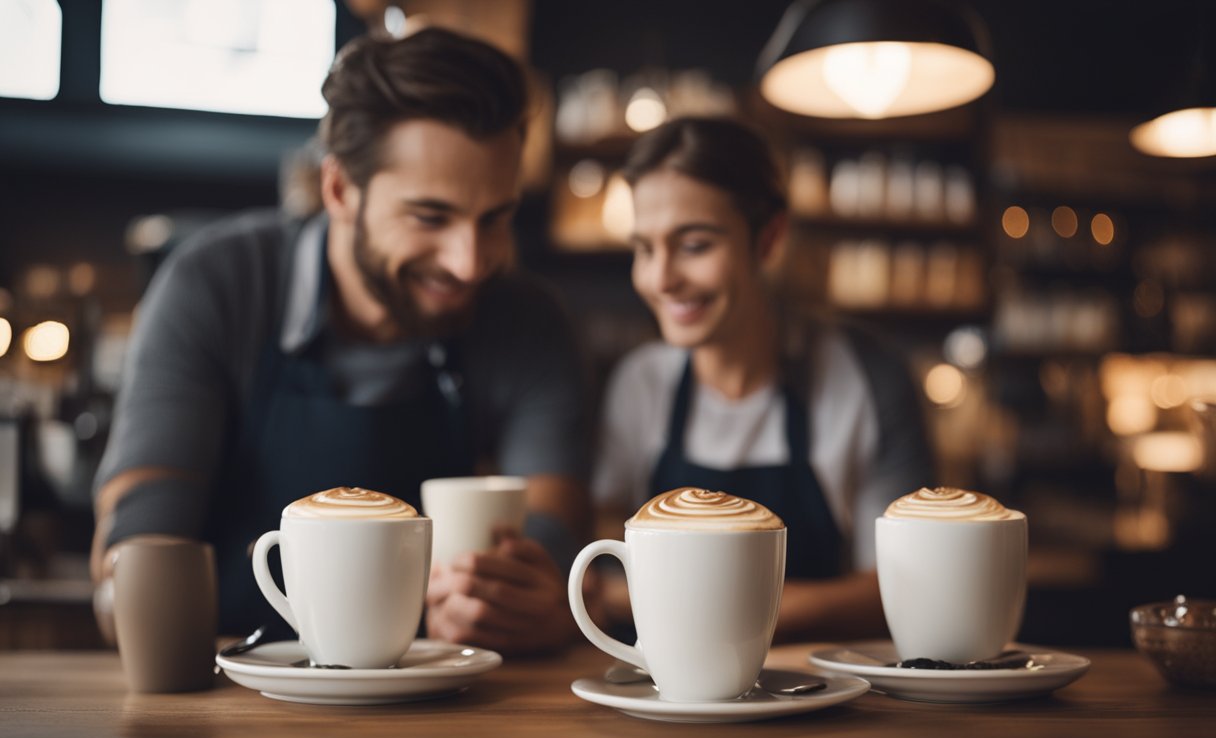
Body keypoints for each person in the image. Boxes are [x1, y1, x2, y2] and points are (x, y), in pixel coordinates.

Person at [92, 27, 591, 655]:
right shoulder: (216, 285)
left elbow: (552, 530)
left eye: (494, 218)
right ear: (338, 191)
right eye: (429, 217)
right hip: (233, 707)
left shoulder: (529, 321)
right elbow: (139, 544)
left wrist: (528, 597)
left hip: (443, 718)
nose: (470, 262)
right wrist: (126, 594)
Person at [594, 117, 935, 640]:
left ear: (769, 238)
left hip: (830, 692)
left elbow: (906, 586)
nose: (661, 279)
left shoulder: (867, 375)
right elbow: (605, 572)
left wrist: (706, 613)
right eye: (644, 248)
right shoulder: (639, 384)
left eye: (695, 245)